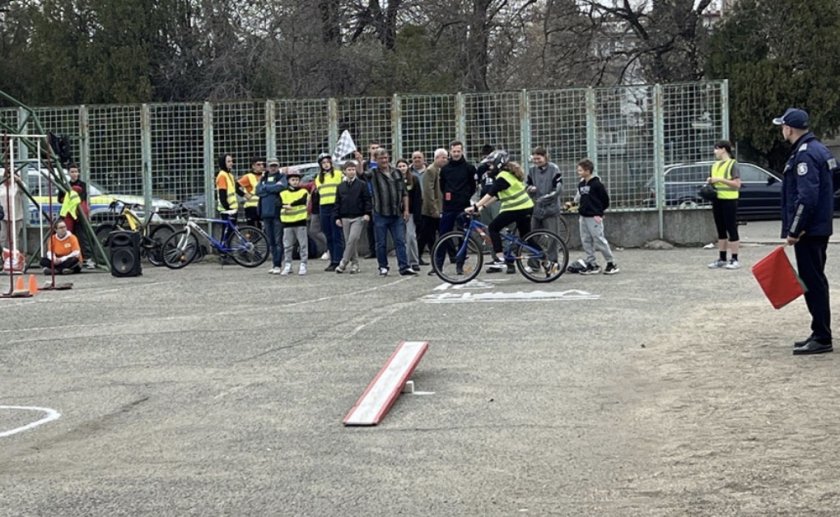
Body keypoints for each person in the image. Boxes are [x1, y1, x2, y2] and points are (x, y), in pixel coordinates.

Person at [774, 107, 836, 355]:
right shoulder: (820, 149)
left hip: (809, 231)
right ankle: (819, 331)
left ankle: (822, 337)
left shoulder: (805, 155)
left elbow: (806, 198)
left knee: (812, 282)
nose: (782, 130)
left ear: (789, 129)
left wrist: (795, 229)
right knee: (816, 279)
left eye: (782, 126)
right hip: (819, 226)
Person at [465, 151, 533, 273]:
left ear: (498, 164)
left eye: (491, 165)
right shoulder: (507, 175)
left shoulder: (502, 177)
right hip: (525, 207)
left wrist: (475, 206)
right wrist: (481, 207)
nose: (489, 168)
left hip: (518, 208)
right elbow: (496, 196)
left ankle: (500, 258)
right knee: (526, 237)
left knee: (493, 228)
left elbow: (491, 193)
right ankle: (546, 260)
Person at [364, 148, 417, 276]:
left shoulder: (397, 172)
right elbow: (362, 174)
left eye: (385, 158)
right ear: (376, 160)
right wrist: (361, 161)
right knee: (381, 243)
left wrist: (406, 210)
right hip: (380, 212)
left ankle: (404, 266)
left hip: (396, 213)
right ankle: (383, 266)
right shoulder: (373, 173)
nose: (384, 160)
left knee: (400, 241)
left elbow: (404, 193)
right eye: (381, 158)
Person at [572, 158, 619, 275]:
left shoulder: (597, 184)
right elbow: (579, 198)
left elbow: (605, 200)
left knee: (599, 239)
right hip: (583, 216)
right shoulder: (581, 184)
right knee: (586, 240)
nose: (578, 172)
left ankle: (611, 263)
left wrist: (599, 212)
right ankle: (591, 264)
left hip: (594, 217)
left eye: (581, 170)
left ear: (588, 171)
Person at [705, 141, 742, 270]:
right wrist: (710, 181)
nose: (714, 152)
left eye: (716, 149)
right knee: (720, 229)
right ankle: (722, 258)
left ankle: (735, 259)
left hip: (729, 200)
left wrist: (720, 180)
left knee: (731, 229)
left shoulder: (732, 164)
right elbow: (714, 181)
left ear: (724, 149)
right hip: (717, 199)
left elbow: (737, 184)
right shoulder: (714, 165)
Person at [334, 160, 372, 274]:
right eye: (349, 170)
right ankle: (355, 264)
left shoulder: (362, 185)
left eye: (353, 169)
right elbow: (337, 202)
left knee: (353, 238)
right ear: (344, 171)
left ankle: (343, 262)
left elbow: (367, 200)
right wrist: (337, 217)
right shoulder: (340, 186)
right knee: (349, 243)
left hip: (358, 216)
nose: (351, 172)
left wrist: (367, 213)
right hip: (345, 217)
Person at [56, 164, 95, 269]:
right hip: (69, 214)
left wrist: (70, 197)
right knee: (68, 234)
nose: (74, 174)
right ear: (68, 173)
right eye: (72, 172)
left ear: (78, 173)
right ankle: (69, 257)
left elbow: (81, 198)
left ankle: (88, 258)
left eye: (75, 171)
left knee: (83, 236)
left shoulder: (82, 185)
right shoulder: (65, 185)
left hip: (79, 213)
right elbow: (60, 199)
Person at [439, 140, 477, 237]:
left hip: (464, 206)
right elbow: (442, 186)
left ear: (462, 151)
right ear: (450, 152)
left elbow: (473, 186)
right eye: (454, 151)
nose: (456, 154)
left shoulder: (469, 168)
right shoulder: (445, 169)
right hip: (449, 206)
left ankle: (462, 248)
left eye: (458, 151)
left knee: (464, 235)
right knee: (444, 234)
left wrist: (465, 196)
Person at [314, 153, 344, 271]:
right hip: (324, 207)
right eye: (323, 163)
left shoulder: (338, 174)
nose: (326, 165)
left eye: (327, 162)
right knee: (328, 235)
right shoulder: (318, 177)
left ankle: (338, 260)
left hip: (335, 207)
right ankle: (333, 260)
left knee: (337, 235)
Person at [526, 147, 564, 240]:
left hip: (551, 209)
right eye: (534, 159)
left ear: (545, 157)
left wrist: (544, 199)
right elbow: (527, 185)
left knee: (553, 237)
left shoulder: (554, 169)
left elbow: (558, 189)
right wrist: (530, 188)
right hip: (536, 208)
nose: (536, 161)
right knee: (532, 236)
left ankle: (553, 251)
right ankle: (536, 250)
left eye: (539, 158)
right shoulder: (532, 170)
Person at [257, 158, 286, 274]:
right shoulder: (263, 178)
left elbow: (281, 187)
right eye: (271, 166)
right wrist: (272, 188)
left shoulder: (281, 177)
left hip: (276, 213)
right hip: (265, 213)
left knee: (278, 240)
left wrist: (266, 187)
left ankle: (278, 264)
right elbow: (257, 191)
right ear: (267, 167)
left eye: (275, 166)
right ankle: (274, 264)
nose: (273, 168)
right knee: (271, 241)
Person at [420, 148, 446, 272]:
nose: (445, 160)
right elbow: (429, 192)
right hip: (431, 211)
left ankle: (451, 256)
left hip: (439, 208)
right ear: (436, 158)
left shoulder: (441, 170)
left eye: (446, 158)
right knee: (428, 236)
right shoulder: (431, 170)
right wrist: (434, 210)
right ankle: (421, 256)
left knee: (438, 234)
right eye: (443, 158)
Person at [280, 169, 309, 276]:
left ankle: (303, 264)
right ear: (288, 181)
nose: (295, 182)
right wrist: (284, 206)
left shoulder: (303, 191)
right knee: (287, 246)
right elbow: (278, 203)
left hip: (300, 222)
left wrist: (290, 205)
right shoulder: (283, 193)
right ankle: (288, 264)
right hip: (287, 223)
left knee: (303, 245)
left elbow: (303, 201)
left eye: (297, 179)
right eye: (293, 180)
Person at [398, 158, 422, 271]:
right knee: (401, 239)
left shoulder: (414, 179)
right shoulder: (394, 180)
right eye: (399, 166)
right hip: (398, 213)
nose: (402, 168)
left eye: (404, 166)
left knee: (411, 236)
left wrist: (417, 214)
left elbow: (418, 198)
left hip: (411, 212)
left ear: (408, 167)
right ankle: (404, 261)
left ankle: (414, 261)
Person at [215, 154, 243, 243]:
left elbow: (234, 189)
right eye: (229, 161)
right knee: (227, 232)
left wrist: (244, 195)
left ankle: (225, 247)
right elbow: (222, 193)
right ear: (223, 163)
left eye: (231, 161)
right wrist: (227, 207)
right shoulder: (222, 175)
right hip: (227, 209)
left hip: (232, 208)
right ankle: (224, 247)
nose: (231, 163)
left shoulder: (229, 175)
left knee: (230, 232)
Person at [0, 170, 25, 261]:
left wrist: (18, 180)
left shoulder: (17, 186)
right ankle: (2, 257)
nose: (9, 178)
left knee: (14, 238)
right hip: (3, 216)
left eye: (11, 176)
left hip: (16, 216)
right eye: (7, 176)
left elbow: (24, 189)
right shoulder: (1, 186)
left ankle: (14, 257)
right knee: (2, 237)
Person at [238, 156, 264, 228]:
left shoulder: (265, 176)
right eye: (258, 164)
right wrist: (244, 195)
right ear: (253, 166)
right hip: (251, 207)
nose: (261, 166)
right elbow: (235, 187)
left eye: (262, 164)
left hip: (263, 206)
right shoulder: (248, 177)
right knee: (253, 229)